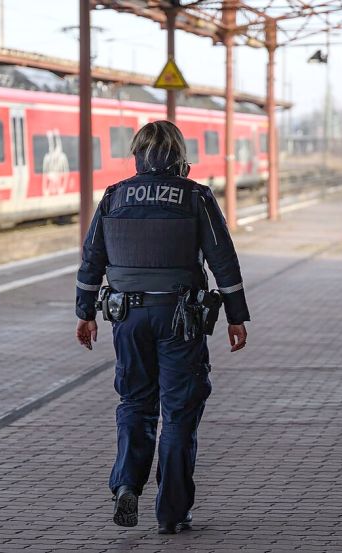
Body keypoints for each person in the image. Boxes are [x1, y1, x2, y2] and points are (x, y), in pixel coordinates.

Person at [74, 120, 250, 535]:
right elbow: (222, 260)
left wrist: (84, 312)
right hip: (180, 319)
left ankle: (125, 484)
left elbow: (91, 260)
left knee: (135, 403)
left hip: (127, 317)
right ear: (179, 156)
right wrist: (236, 315)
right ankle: (171, 512)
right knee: (179, 412)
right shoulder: (195, 197)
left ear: (137, 153)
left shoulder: (114, 197)